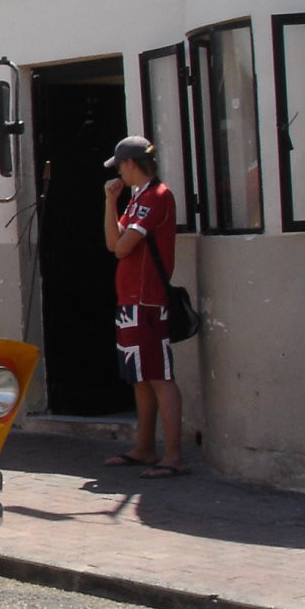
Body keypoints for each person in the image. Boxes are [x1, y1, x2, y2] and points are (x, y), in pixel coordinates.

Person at [100, 136, 186, 477]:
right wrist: (110, 202)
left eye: (120, 166)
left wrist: (119, 227)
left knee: (159, 376)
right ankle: (145, 447)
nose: (118, 172)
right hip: (130, 301)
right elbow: (112, 243)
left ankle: (174, 455)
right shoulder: (137, 198)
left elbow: (123, 248)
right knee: (140, 376)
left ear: (130, 164)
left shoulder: (157, 197)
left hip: (147, 300)